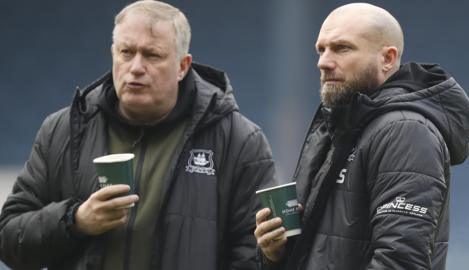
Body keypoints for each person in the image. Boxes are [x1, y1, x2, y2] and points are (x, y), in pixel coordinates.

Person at [0, 1, 275, 269]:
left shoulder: (239, 141)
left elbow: (257, 255)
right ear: (113, 54)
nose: (136, 67)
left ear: (182, 66)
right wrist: (76, 220)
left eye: (152, 55)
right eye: (126, 52)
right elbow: (9, 240)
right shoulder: (64, 130)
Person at [255, 3, 469, 270]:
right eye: (321, 49)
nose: (323, 62)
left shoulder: (405, 131)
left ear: (387, 59)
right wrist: (275, 254)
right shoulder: (341, 128)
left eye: (342, 48)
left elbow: (400, 261)